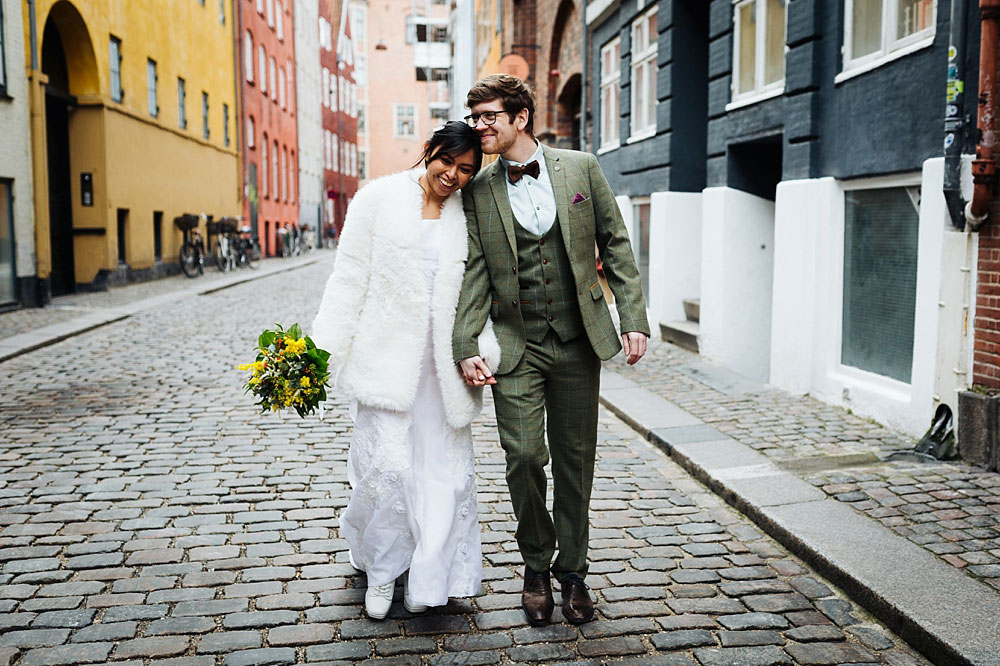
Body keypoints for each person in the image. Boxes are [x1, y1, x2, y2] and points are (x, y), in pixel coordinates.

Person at [453, 75, 650, 626]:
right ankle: (536, 565)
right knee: (522, 458)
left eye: (489, 115)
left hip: (577, 340)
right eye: (474, 117)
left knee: (574, 461)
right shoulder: (478, 188)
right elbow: (475, 273)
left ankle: (574, 573)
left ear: (521, 117)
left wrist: (633, 317)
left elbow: (616, 243)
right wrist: (464, 342)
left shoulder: (581, 167)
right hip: (516, 343)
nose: (479, 127)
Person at [311, 122, 500, 620]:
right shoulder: (377, 200)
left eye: (465, 170)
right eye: (447, 162)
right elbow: (349, 279)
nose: (453, 176)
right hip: (386, 360)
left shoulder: (471, 213)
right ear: (430, 151)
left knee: (443, 474)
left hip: (444, 368)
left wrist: (481, 350)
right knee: (388, 470)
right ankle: (380, 571)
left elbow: (479, 292)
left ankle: (430, 576)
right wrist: (318, 353)